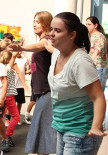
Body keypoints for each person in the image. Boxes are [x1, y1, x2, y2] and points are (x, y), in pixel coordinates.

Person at [48, 12, 106, 154]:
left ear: (72, 35)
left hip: (81, 132)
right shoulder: (57, 52)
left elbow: (98, 97)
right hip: (62, 127)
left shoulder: (80, 61)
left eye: (58, 30)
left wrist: (96, 126)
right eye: (51, 29)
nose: (51, 34)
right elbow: (42, 44)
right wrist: (22, 48)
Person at [9, 11, 57, 155]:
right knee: (41, 132)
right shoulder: (44, 40)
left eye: (37, 21)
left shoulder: (48, 39)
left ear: (46, 23)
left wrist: (22, 48)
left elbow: (41, 46)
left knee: (42, 133)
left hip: (48, 91)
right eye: (34, 21)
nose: (34, 24)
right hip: (41, 91)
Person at [0, 50, 29, 147]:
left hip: (4, 95)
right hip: (9, 95)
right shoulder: (6, 68)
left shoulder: (1, 68)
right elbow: (12, 60)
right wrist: (14, 54)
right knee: (16, 117)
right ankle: (7, 135)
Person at [86, 16, 108, 90]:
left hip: (100, 66)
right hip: (94, 66)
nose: (87, 26)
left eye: (89, 24)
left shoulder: (99, 36)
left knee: (99, 91)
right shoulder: (91, 35)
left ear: (95, 25)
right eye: (86, 24)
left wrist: (91, 58)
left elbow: (98, 48)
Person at [14, 50, 31, 125]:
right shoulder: (12, 59)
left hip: (20, 84)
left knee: (20, 102)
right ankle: (8, 118)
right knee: (11, 102)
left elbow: (26, 71)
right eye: (16, 51)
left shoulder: (24, 59)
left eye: (20, 50)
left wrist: (31, 66)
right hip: (13, 84)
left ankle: (17, 118)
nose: (18, 52)